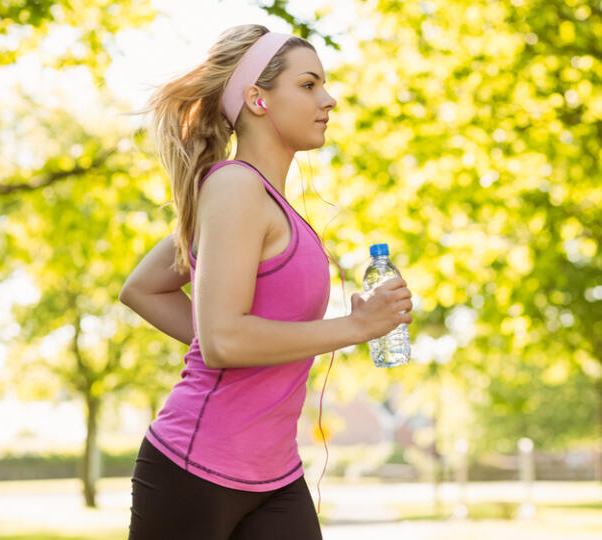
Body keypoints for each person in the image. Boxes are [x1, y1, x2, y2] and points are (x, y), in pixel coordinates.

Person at [119, 24, 413, 539]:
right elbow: (223, 339)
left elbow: (147, 290)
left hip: (276, 474)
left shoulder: (261, 201)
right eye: (308, 85)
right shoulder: (234, 187)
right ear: (258, 99)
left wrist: (240, 342)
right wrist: (356, 326)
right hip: (194, 469)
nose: (330, 99)